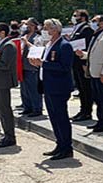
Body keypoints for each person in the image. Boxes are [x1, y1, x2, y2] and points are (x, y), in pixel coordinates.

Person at [29, 19, 75, 160]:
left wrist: (44, 64)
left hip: (59, 87)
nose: (44, 31)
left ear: (55, 30)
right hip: (48, 86)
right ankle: (59, 144)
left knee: (61, 118)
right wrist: (38, 63)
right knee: (54, 117)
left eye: (47, 28)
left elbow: (64, 67)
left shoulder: (64, 45)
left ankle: (67, 147)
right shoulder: (48, 44)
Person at [76, 15, 103, 133]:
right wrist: (82, 54)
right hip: (93, 72)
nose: (92, 23)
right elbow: (93, 54)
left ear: (102, 23)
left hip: (101, 73)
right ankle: (100, 120)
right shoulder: (96, 36)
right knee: (97, 98)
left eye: (95, 21)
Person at [68, 9, 94, 121]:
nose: (74, 17)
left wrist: (84, 62)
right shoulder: (77, 28)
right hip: (75, 62)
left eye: (76, 16)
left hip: (82, 61)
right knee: (80, 88)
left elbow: (86, 46)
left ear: (83, 17)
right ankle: (82, 110)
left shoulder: (86, 29)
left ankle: (87, 112)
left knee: (85, 88)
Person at [20, 17, 43, 117]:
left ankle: (36, 108)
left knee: (33, 89)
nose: (26, 26)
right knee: (24, 89)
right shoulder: (24, 36)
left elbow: (37, 49)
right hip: (23, 66)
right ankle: (27, 107)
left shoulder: (37, 37)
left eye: (28, 24)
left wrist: (26, 42)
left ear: (34, 26)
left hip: (32, 66)